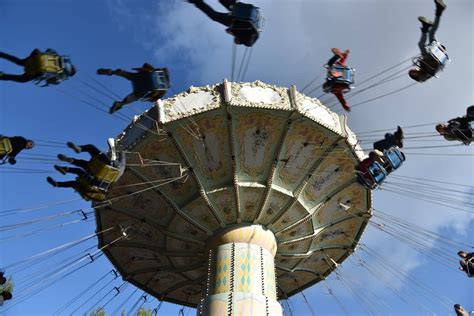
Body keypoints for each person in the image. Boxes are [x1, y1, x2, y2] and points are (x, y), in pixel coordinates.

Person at [47, 140, 126, 202]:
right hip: (97, 180)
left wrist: (121, 151)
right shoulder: (95, 193)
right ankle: (60, 180)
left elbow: (122, 158)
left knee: (90, 148)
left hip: (102, 174)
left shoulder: (116, 175)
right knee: (79, 172)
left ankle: (79, 150)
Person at [97, 63, 169, 114]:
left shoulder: (160, 71)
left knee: (128, 75)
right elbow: (153, 98)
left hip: (139, 77)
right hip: (143, 88)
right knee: (136, 96)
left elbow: (146, 65)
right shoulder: (163, 88)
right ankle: (120, 103)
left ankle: (113, 72)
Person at [188, 0, 260, 47]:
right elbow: (248, 41)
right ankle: (196, 1)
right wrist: (230, 31)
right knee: (214, 16)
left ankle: (196, 1)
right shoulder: (245, 40)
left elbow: (253, 34)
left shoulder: (242, 35)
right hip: (234, 19)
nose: (236, 41)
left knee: (226, 3)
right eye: (237, 41)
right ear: (238, 42)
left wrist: (230, 31)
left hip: (238, 13)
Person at [409, 0, 447, 82]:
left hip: (434, 56)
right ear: (415, 76)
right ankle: (425, 28)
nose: (414, 70)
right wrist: (418, 76)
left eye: (412, 70)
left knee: (431, 34)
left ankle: (439, 10)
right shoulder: (423, 76)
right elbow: (421, 79)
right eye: (413, 73)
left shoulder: (422, 68)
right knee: (421, 45)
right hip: (434, 61)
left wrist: (420, 61)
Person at [0, 48, 76, 85]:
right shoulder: (61, 75)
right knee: (22, 79)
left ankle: (1, 54)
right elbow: (52, 81)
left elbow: (49, 49)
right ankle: (2, 76)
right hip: (38, 71)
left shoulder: (59, 58)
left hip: (37, 56)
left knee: (19, 61)